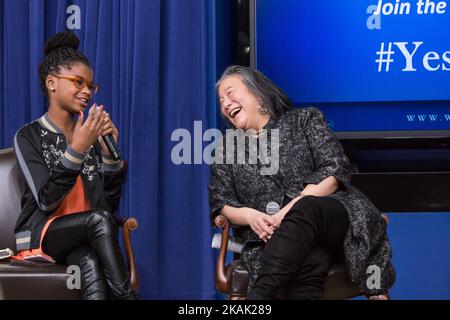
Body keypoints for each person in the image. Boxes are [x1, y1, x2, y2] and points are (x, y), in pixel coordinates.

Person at [208, 65, 395, 300]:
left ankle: (259, 297)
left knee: (306, 206)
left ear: (257, 93)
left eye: (230, 93)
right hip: (279, 239)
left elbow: (334, 170)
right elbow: (220, 202)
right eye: (221, 100)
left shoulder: (304, 120)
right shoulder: (227, 147)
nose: (225, 103)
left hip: (335, 222)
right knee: (309, 263)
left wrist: (288, 212)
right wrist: (250, 217)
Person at [12, 31, 137, 300]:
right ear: (51, 83)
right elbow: (46, 201)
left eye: (91, 86)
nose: (87, 92)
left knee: (90, 261)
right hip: (44, 234)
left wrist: (110, 158)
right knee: (98, 221)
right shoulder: (28, 136)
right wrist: (77, 148)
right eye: (78, 82)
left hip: (84, 236)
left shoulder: (92, 137)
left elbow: (107, 207)